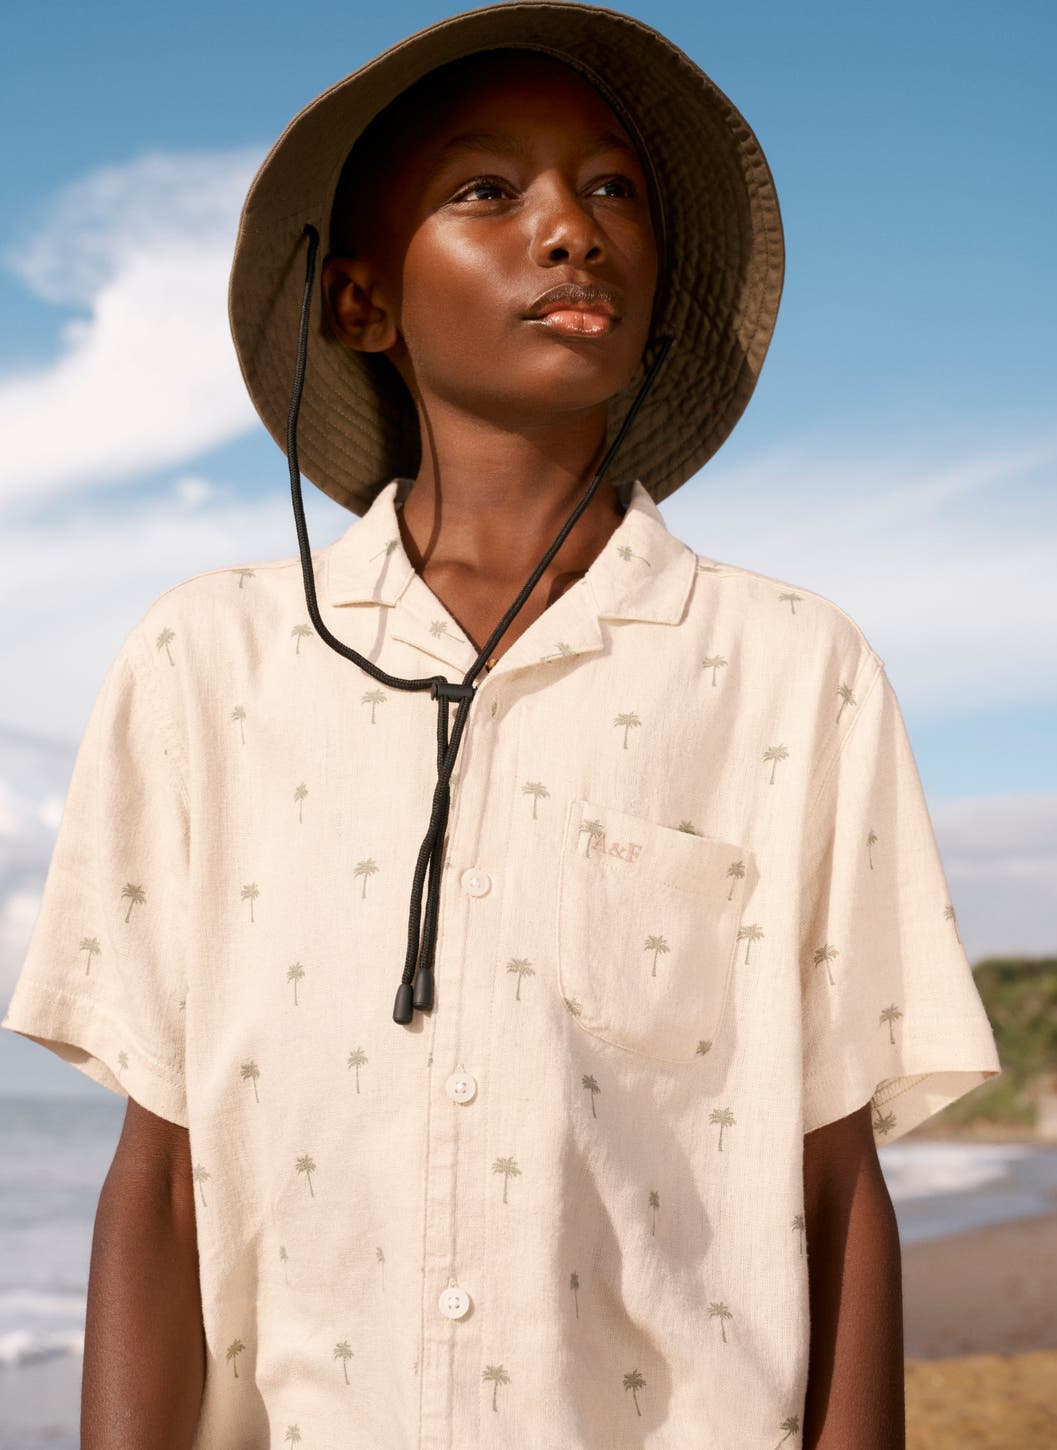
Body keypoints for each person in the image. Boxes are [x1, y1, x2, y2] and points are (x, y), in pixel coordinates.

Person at [1, 5, 1003, 1447]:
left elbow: (835, 1182)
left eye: (613, 191)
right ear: (360, 303)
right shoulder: (203, 665)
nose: (573, 230)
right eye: (487, 190)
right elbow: (161, 1182)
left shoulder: (793, 672)